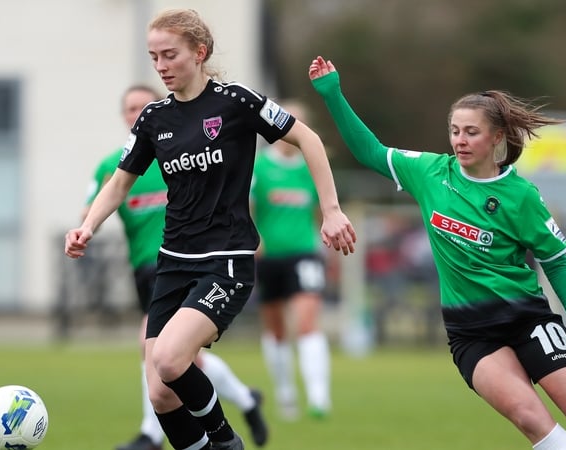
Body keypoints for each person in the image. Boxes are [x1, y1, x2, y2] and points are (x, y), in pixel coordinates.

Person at [308, 56, 566, 449]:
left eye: (471, 132)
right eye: (455, 131)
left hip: (526, 319)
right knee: (530, 418)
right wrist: (333, 94)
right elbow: (369, 151)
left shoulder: (521, 196)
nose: (460, 140)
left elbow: (556, 263)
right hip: (471, 333)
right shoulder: (431, 173)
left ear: (496, 137)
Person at [64, 9, 357, 450]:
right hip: (173, 263)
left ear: (199, 53)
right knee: (161, 394)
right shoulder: (153, 119)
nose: (161, 66)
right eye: (154, 57)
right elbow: (119, 183)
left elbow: (308, 139)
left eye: (170, 55)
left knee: (167, 359)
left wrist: (331, 210)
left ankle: (226, 441)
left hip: (226, 261)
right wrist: (86, 225)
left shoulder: (237, 101)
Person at [84, 85, 268, 450]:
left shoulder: (186, 149)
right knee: (178, 366)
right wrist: (86, 226)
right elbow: (102, 197)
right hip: (153, 269)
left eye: (141, 105)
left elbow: (231, 191)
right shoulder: (114, 165)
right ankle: (245, 399)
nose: (135, 113)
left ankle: (155, 434)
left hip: (196, 263)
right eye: (128, 108)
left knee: (163, 356)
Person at [250, 100, 332, 420]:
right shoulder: (258, 166)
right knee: (276, 330)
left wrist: (325, 239)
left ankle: (318, 396)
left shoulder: (311, 165)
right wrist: (254, 239)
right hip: (269, 257)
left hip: (304, 253)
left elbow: (319, 211)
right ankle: (285, 393)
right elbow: (247, 207)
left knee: (307, 321)